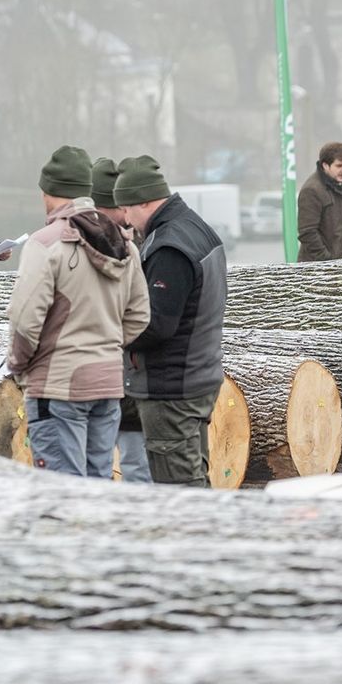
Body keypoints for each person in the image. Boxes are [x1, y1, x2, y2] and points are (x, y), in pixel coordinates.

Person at [6, 145, 150, 479]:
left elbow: (25, 320)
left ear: (48, 193)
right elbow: (140, 314)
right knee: (96, 486)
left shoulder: (44, 245)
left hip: (57, 387)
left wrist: (19, 365)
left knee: (63, 493)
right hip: (108, 384)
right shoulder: (124, 245)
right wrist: (107, 343)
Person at [115, 153, 228, 485]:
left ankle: (194, 537)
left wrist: (109, 331)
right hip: (197, 376)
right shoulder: (195, 228)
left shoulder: (168, 247)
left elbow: (156, 324)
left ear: (145, 201)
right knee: (194, 479)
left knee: (178, 491)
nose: (124, 218)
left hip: (172, 389)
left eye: (126, 208)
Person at [91, 155, 151, 482]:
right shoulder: (125, 242)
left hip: (125, 369)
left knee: (130, 462)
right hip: (116, 368)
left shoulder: (132, 241)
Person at [296, 141, 342, 262]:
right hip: (318, 270)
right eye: (339, 166)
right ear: (325, 165)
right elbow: (307, 233)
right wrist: (327, 261)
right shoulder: (311, 190)